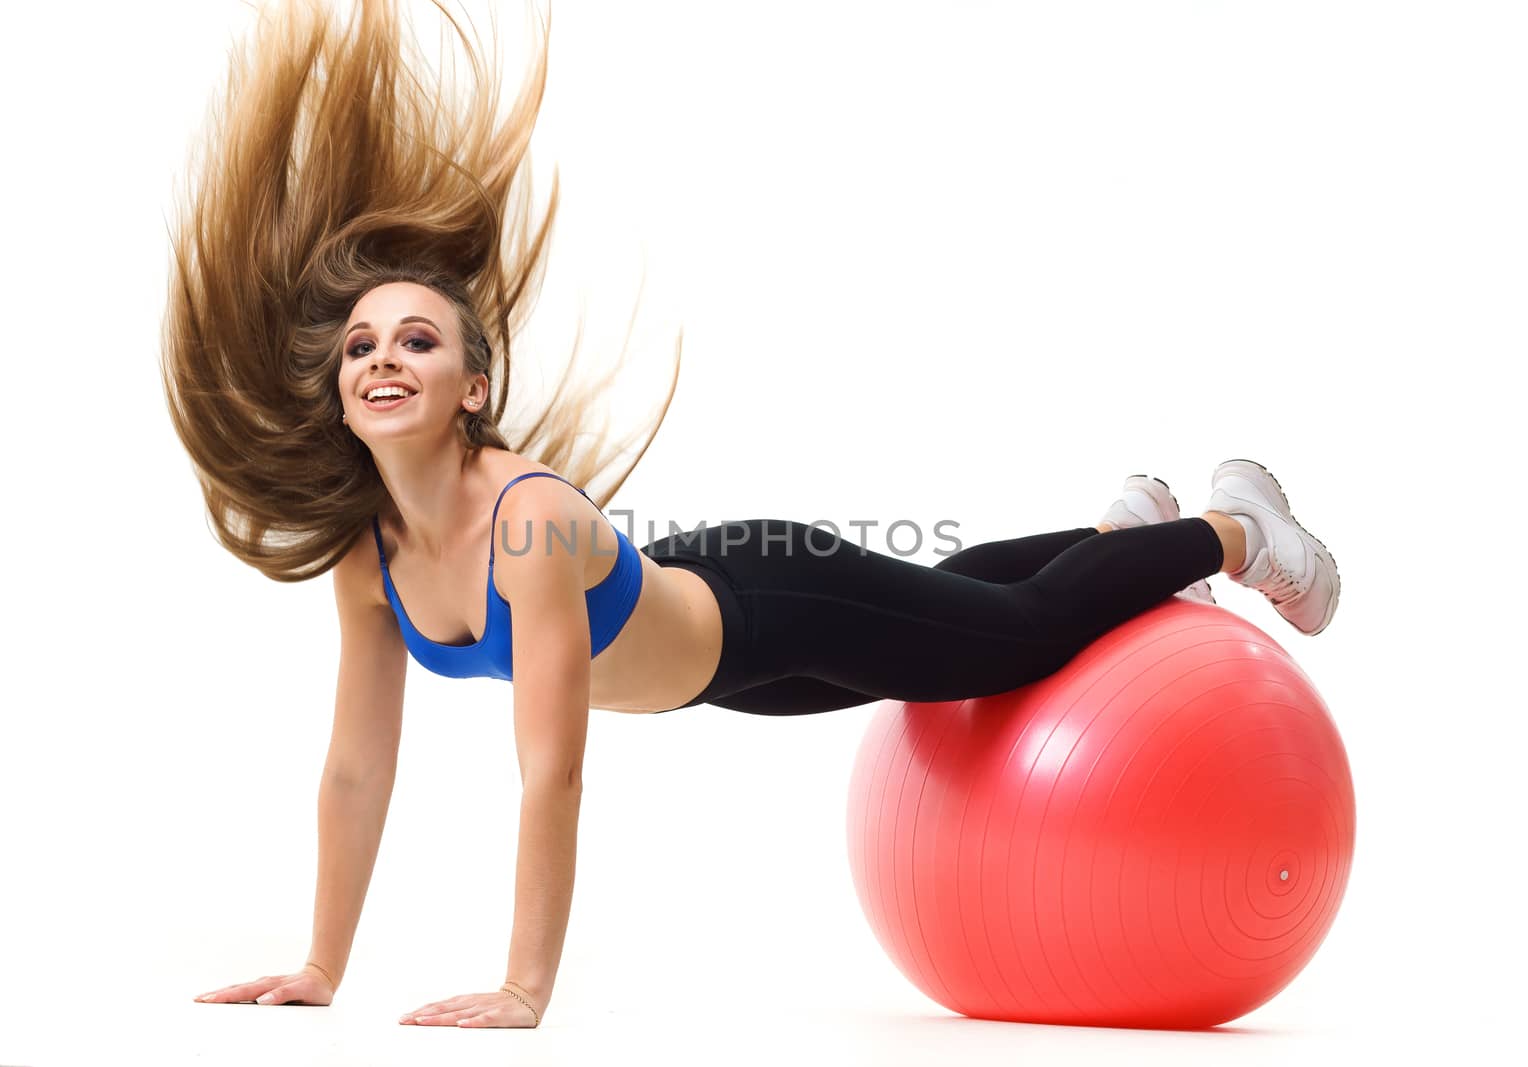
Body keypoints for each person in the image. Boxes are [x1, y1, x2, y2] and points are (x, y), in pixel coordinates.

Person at [168, 0, 1339, 1030]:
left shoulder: (522, 521)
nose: (383, 358)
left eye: (416, 339)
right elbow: (356, 770)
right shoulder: (366, 560)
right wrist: (322, 963)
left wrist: (525, 986)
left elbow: (552, 773)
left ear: (472, 385)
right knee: (958, 623)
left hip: (768, 607)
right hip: (719, 661)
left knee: (1013, 639)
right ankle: (1119, 543)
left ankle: (1237, 529)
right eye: (362, 344)